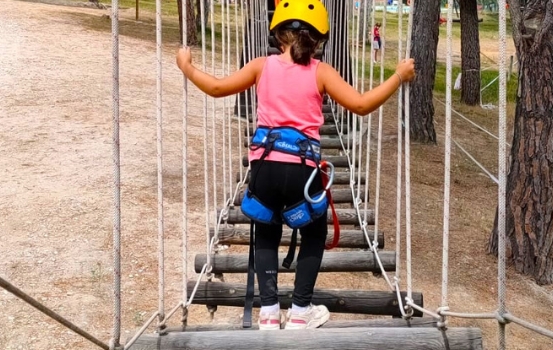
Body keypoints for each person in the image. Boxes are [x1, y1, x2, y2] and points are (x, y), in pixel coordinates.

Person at [176, 0, 415, 331]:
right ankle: (301, 311)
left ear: (278, 34)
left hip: (265, 167)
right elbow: (361, 105)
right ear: (317, 41)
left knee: (266, 230)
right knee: (314, 234)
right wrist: (398, 76)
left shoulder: (262, 66)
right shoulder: (321, 72)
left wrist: (187, 66)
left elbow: (217, 87)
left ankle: (270, 313)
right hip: (303, 171)